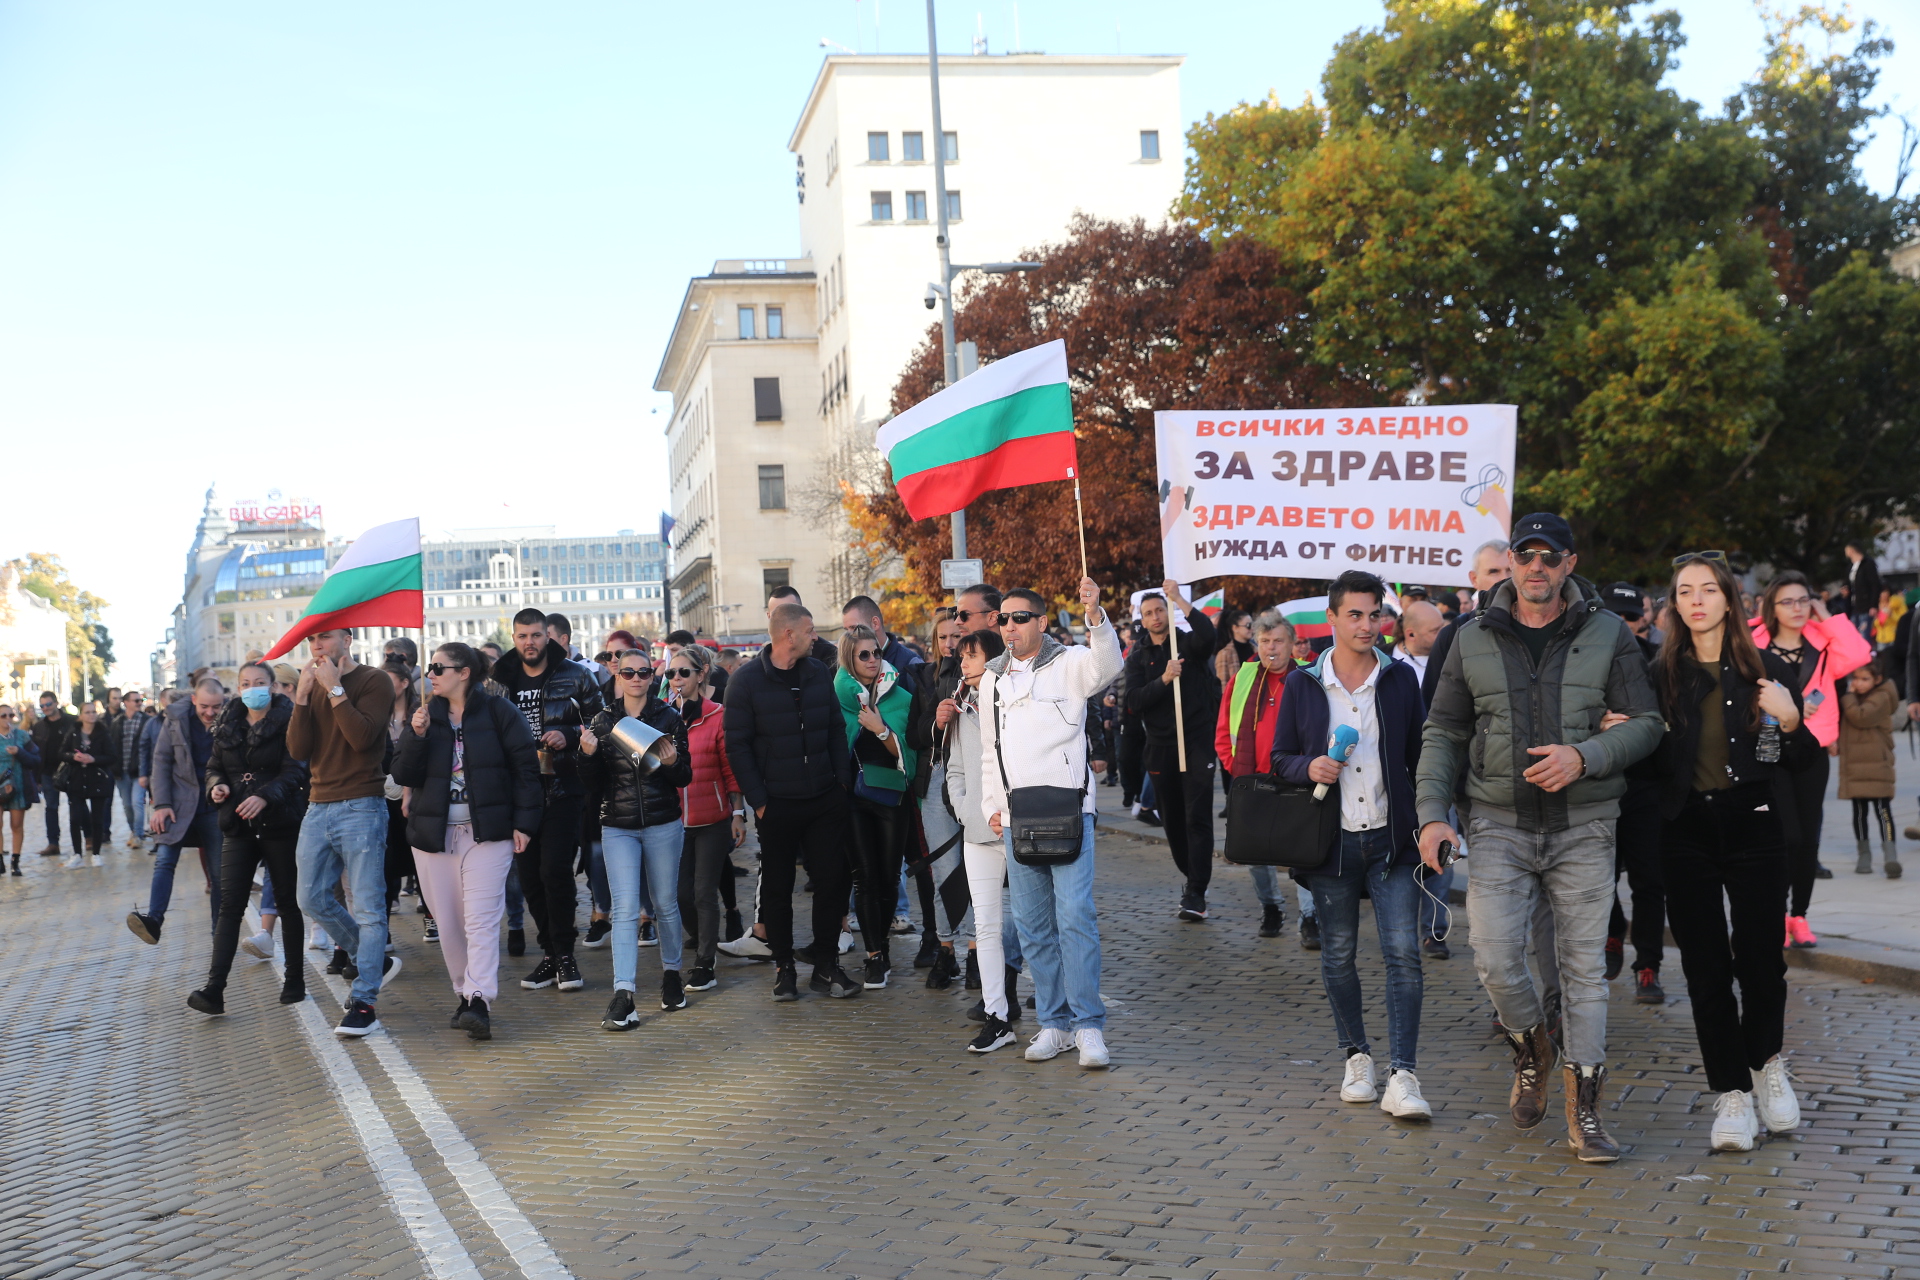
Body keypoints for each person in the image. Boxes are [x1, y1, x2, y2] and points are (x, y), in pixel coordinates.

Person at [1415, 513, 1663, 1164]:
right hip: (1497, 822)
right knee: (1495, 958)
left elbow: (1647, 725)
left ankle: (1587, 1113)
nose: (1535, 567)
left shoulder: (1608, 633)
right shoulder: (1472, 638)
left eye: (1549, 557)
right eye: (1525, 555)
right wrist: (1432, 814)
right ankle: (1533, 1051)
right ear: (1512, 562)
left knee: (1583, 975)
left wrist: (1587, 755)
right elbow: (1442, 732)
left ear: (1569, 565)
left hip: (1584, 826)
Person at [1648, 553, 1808, 1152]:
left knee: (1762, 962)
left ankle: (1766, 1063)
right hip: (1685, 829)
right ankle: (1731, 1095)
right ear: (1674, 604)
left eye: (1707, 590)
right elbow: (1647, 764)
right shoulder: (1658, 673)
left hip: (1754, 826)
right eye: (1684, 591)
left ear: (1728, 600)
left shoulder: (1760, 670)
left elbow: (1800, 761)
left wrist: (1790, 722)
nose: (1695, 600)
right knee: (1705, 969)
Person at [1273, 572, 1432, 1119]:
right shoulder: (1304, 683)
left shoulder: (1399, 680)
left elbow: (1418, 755)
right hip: (1332, 843)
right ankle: (1356, 1055)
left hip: (1392, 842)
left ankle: (1404, 1073)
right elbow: (1279, 758)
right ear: (1333, 619)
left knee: (1404, 955)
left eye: (1375, 615)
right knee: (1338, 955)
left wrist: (1428, 820)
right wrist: (1308, 765)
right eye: (1356, 615)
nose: (1368, 626)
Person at [979, 577, 1122, 1068]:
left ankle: (1088, 1026)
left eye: (1021, 618)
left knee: (1075, 919)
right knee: (1034, 927)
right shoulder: (992, 678)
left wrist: (1096, 615)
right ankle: (1055, 1025)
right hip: (1018, 816)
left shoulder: (1069, 662)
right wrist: (991, 807)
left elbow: (1108, 666)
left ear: (1041, 622)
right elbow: (988, 750)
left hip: (1069, 811)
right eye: (1003, 618)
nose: (1010, 626)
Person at [394, 642, 541, 1041]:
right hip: (434, 836)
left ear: (464, 673)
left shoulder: (499, 712)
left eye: (440, 668)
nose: (432, 675)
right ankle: (464, 992)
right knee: (449, 923)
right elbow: (403, 772)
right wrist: (416, 735)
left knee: (480, 918)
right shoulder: (424, 715)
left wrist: (524, 824)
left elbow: (526, 770)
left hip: (487, 833)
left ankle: (479, 998)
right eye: (431, 667)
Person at [725, 600, 860, 1000]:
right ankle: (784, 966)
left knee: (832, 882)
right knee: (778, 888)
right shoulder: (746, 682)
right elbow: (738, 747)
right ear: (789, 634)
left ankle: (825, 966)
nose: (815, 636)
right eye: (810, 629)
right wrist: (759, 800)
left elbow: (836, 729)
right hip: (777, 802)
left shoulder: (818, 671)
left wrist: (841, 784)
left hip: (824, 798)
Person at [290, 627, 401, 1038]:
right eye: (312, 641)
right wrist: (302, 697)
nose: (317, 646)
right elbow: (299, 751)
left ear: (348, 639)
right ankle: (371, 959)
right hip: (318, 805)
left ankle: (364, 1000)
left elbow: (362, 738)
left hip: (362, 804)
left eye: (325, 638)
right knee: (310, 897)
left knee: (370, 907)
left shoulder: (374, 681)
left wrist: (335, 689)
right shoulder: (313, 684)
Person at [1751, 571, 1871, 946]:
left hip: (1812, 747)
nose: (1798, 608)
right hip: (1768, 746)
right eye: (1787, 601)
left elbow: (1859, 654)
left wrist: (1828, 615)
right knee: (1786, 835)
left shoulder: (1823, 641)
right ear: (1771, 606)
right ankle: (1774, 910)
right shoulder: (1753, 642)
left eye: (1804, 600)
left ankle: (1798, 916)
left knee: (1808, 839)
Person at [490, 608, 603, 995]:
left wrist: (568, 735)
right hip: (517, 793)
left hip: (564, 787)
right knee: (529, 876)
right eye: (522, 636)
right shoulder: (499, 680)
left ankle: (566, 955)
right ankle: (551, 953)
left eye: (536, 635)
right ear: (514, 638)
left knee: (555, 869)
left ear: (548, 636)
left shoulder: (576, 674)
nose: (530, 643)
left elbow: (602, 721)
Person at [187, 661, 310, 1014]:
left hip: (280, 822)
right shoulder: (228, 721)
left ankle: (295, 980)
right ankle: (214, 989)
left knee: (288, 902)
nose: (251, 687)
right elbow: (213, 767)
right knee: (230, 906)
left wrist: (266, 795)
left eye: (259, 682)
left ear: (272, 686)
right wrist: (217, 786)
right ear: (237, 687)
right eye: (245, 682)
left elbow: (296, 770)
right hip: (238, 824)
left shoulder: (290, 720)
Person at [581, 645, 693, 1024]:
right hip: (618, 826)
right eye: (627, 673)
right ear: (616, 675)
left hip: (663, 822)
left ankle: (672, 974)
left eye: (643, 673)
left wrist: (674, 761)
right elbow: (590, 784)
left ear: (651, 677)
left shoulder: (668, 717)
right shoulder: (602, 721)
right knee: (626, 909)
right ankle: (623, 993)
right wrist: (586, 755)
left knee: (664, 904)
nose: (635, 679)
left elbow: (684, 777)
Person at [945, 628, 1027, 1051]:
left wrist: (1007, 813)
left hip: (1019, 828)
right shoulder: (961, 709)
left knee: (1037, 922)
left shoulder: (1017, 704)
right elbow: (954, 772)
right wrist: (967, 810)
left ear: (993, 659)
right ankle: (998, 1017)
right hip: (977, 834)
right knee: (986, 927)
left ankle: (1059, 1008)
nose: (963, 663)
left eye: (971, 655)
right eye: (961, 656)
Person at [1213, 610, 1317, 941]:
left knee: (1305, 851)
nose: (1271, 648)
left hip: (1299, 777)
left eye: (1279, 641)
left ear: (1293, 644)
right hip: (1253, 778)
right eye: (1265, 641)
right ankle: (1271, 907)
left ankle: (1309, 917)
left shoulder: (1308, 677)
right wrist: (1234, 766)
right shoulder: (1241, 678)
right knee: (1256, 851)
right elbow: (1223, 728)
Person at [1123, 580, 1219, 921]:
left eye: (1160, 609)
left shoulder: (1187, 644)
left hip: (1196, 741)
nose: (1155, 617)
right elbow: (1133, 701)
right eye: (1148, 613)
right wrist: (1163, 679)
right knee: (1174, 820)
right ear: (1143, 619)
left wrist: (1178, 597)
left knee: (1197, 816)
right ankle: (1191, 875)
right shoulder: (1138, 657)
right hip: (1161, 745)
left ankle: (1196, 890)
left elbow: (1208, 636)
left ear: (1168, 612)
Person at [1592, 582, 1670, 1004]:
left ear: (1642, 619)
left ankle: (1649, 965)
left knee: (1648, 881)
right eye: (1613, 616)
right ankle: (1612, 931)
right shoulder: (1584, 660)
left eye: (1629, 617)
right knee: (1600, 877)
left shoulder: (1656, 663)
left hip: (1645, 785)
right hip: (1598, 784)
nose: (1622, 625)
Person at [835, 623, 920, 990]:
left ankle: (882, 946)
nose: (872, 660)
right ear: (850, 662)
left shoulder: (899, 697)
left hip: (891, 797)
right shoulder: (838, 697)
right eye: (863, 655)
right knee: (864, 876)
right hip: (852, 799)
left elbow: (909, 756)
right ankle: (873, 956)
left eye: (876, 653)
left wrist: (880, 728)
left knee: (888, 877)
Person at [129, 681, 228, 943]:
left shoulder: (231, 719)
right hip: (178, 802)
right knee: (164, 859)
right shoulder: (175, 719)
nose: (210, 713)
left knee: (219, 873)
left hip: (214, 805)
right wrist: (161, 805)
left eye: (216, 707)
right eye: (205, 706)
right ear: (194, 699)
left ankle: (219, 932)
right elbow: (160, 761)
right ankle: (154, 920)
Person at [670, 643, 743, 991]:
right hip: (675, 823)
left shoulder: (717, 715)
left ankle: (705, 961)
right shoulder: (666, 717)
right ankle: (704, 940)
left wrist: (738, 813)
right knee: (681, 895)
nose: (677, 679)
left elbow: (730, 770)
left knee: (702, 892)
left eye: (684, 672)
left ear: (701, 675)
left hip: (713, 819)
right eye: (671, 673)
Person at [380, 657, 431, 941]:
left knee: (421, 858)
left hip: (415, 797)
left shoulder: (418, 713)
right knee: (386, 864)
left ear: (403, 683)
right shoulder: (375, 713)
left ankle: (431, 916)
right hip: (383, 796)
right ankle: (383, 928)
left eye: (388, 681)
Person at [1838, 658, 1901, 877]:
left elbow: (1860, 716)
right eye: (1855, 678)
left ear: (1877, 680)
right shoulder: (1855, 698)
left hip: (1877, 764)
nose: (1858, 683)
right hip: (1855, 765)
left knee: (1883, 811)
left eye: (1865, 679)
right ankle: (1863, 853)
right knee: (1859, 813)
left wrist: (1847, 696)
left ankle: (1890, 855)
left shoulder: (1881, 697)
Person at [55, 700, 116, 865]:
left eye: (93, 712)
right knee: (75, 818)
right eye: (87, 712)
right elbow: (61, 753)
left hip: (97, 779)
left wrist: (93, 759)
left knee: (97, 819)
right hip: (76, 779)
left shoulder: (103, 733)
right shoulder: (74, 732)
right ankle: (77, 854)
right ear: (81, 716)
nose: (91, 715)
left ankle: (96, 853)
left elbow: (111, 756)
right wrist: (72, 757)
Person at [0, 704, 38, 873]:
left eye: (11, 715)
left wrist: (19, 752)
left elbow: (35, 759)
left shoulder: (21, 736)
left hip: (18, 784)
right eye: (3, 716)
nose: (8, 719)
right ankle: (0, 859)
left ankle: (15, 862)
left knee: (16, 825)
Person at [29, 692, 68, 858]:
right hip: (47, 772)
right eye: (42, 705)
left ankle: (88, 837)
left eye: (48, 704)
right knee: (51, 808)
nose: (46, 708)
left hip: (69, 770)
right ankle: (53, 843)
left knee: (77, 804)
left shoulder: (71, 722)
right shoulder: (38, 726)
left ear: (56, 703)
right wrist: (36, 778)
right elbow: (35, 753)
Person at [766, 585, 841, 666]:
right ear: (769, 616)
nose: (786, 619)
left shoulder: (828, 654)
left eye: (791, 612)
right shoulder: (761, 664)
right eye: (778, 614)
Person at [113, 691, 151, 849]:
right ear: (126, 702)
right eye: (135, 700)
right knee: (127, 805)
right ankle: (134, 831)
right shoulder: (117, 722)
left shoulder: (146, 721)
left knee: (137, 803)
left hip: (139, 771)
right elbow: (113, 746)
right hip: (121, 771)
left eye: (140, 700)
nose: (139, 703)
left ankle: (138, 834)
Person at [1844, 542, 1881, 637]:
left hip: (1865, 605)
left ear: (1851, 551)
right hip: (1853, 606)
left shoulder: (1867, 564)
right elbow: (1848, 583)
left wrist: (1873, 605)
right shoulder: (1850, 567)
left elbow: (1875, 585)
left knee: (1864, 634)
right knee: (1853, 634)